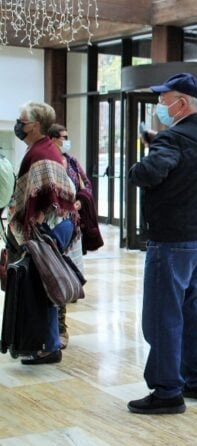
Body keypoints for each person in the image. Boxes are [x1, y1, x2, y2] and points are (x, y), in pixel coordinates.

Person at [127, 73, 197, 414]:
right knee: (193, 311)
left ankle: (167, 390)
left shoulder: (173, 139)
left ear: (181, 103)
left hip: (171, 242)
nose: (159, 106)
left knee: (162, 316)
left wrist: (142, 161)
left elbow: (148, 173)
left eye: (163, 99)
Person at [7, 101, 77, 366]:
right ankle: (46, 342)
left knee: (45, 284)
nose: (19, 124)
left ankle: (49, 346)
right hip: (52, 227)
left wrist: (33, 222)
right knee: (44, 284)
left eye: (22, 120)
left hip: (49, 228)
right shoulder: (42, 149)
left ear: (34, 125)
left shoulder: (40, 153)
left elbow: (46, 195)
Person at [47, 123, 91, 349]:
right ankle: (56, 329)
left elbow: (86, 186)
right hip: (51, 226)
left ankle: (61, 327)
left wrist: (79, 201)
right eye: (64, 137)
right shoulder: (46, 161)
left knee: (67, 271)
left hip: (71, 226)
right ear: (53, 138)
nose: (66, 140)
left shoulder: (72, 161)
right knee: (56, 273)